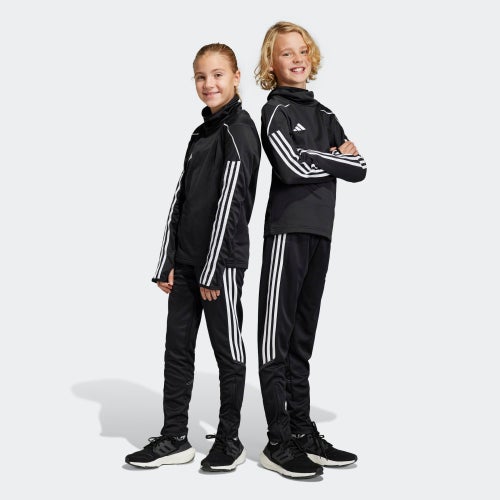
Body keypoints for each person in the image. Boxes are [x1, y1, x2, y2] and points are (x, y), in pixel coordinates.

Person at [125, 43, 261, 472]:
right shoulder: (201, 134)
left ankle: (230, 439)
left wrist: (212, 268)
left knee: (228, 351)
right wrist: (167, 260)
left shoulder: (239, 130)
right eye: (201, 76)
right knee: (177, 350)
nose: (209, 84)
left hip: (220, 266)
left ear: (236, 77)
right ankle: (174, 438)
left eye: (218, 75)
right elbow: (181, 199)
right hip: (185, 265)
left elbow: (231, 203)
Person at [255, 21, 367, 479]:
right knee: (275, 338)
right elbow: (290, 168)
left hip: (321, 233)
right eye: (286, 53)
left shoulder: (324, 113)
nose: (297, 58)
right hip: (286, 232)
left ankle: (302, 431)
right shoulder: (275, 110)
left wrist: (324, 157)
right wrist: (334, 157)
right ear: (272, 63)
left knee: (302, 339)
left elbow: (360, 168)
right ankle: (277, 439)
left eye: (302, 50)